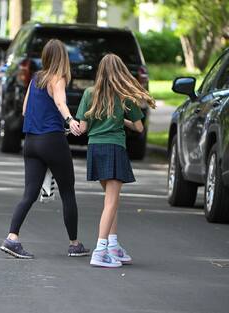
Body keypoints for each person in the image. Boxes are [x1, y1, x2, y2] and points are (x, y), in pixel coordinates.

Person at [0, 39, 90, 259]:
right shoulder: (57, 78)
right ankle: (74, 244)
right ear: (63, 58)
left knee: (29, 193)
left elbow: (24, 110)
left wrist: (46, 120)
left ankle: (12, 238)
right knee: (68, 191)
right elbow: (60, 103)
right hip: (52, 142)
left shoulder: (35, 79)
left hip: (31, 142)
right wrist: (69, 121)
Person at [76, 54, 156, 268]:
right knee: (111, 202)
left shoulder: (89, 93)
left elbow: (82, 128)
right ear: (120, 73)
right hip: (114, 148)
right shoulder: (125, 97)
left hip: (95, 148)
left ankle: (112, 246)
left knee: (112, 201)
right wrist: (124, 120)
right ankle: (100, 251)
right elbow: (139, 128)